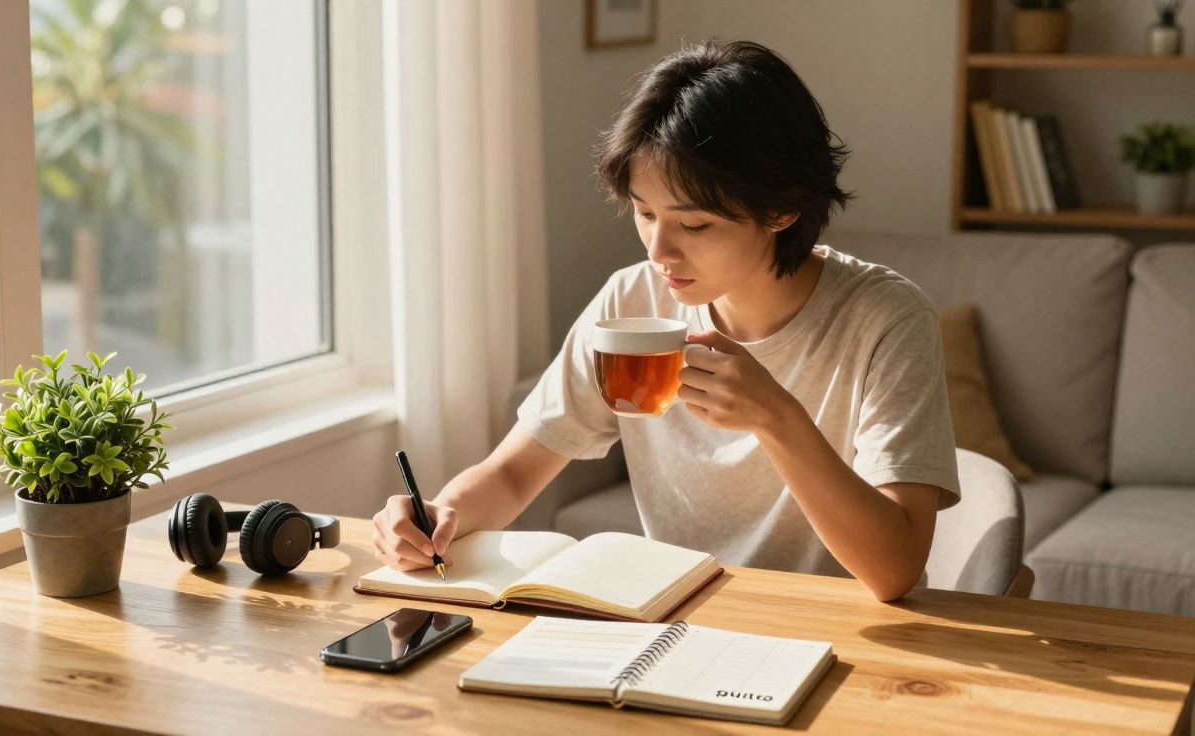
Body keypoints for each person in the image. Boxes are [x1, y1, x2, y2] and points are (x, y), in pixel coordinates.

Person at [371, 39, 959, 602]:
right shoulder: (632, 304)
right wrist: (435, 521)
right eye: (644, 213)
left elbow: (894, 570)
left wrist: (776, 417)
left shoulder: (887, 320)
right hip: (674, 624)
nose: (659, 251)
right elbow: (512, 475)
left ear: (782, 208)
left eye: (694, 225)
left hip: (841, 636)